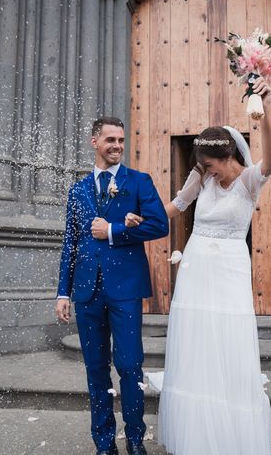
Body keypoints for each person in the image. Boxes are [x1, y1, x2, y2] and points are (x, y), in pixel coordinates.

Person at [127, 80, 271, 454]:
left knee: (226, 332)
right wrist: (139, 224)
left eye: (211, 165)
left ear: (229, 157)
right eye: (203, 166)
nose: (208, 172)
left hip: (229, 267)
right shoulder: (203, 175)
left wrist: (265, 115)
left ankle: (228, 419)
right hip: (196, 265)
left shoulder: (247, 181)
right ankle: (198, 413)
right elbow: (176, 206)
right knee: (197, 332)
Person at [55, 117, 169, 455]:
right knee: (95, 368)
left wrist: (116, 230)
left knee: (130, 364)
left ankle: (135, 439)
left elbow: (159, 224)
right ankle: (104, 443)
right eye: (110, 140)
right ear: (94, 141)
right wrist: (63, 291)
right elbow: (70, 243)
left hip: (126, 289)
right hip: (87, 291)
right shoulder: (77, 190)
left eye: (121, 140)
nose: (117, 146)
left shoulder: (138, 182)